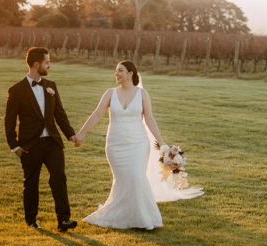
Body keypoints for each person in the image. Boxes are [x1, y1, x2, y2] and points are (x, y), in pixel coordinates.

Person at [74, 60, 202, 230]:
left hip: (138, 143)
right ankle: (122, 214)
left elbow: (149, 119)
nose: (116, 74)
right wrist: (81, 133)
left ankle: (144, 218)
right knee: (122, 179)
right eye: (115, 71)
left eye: (120, 70)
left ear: (130, 74)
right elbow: (97, 114)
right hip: (115, 144)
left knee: (136, 176)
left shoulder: (142, 94)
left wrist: (162, 143)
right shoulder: (110, 93)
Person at [4, 47, 79, 231]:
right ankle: (31, 221)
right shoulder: (17, 90)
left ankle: (63, 220)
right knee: (31, 183)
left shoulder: (51, 86)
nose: (49, 65)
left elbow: (60, 114)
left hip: (52, 142)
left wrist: (71, 134)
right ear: (37, 65)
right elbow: (9, 121)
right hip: (30, 145)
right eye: (47, 62)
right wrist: (14, 146)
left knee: (59, 179)